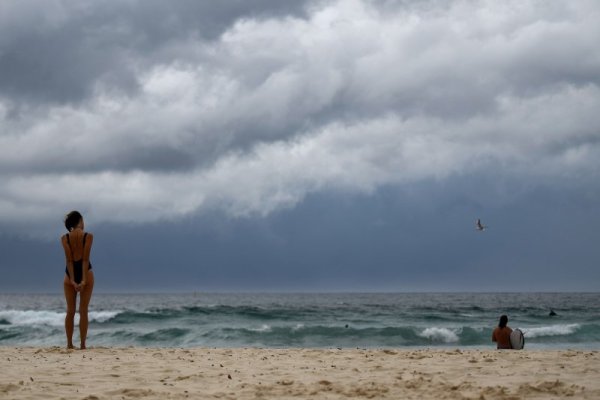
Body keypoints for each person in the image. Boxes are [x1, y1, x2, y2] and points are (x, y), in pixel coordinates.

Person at [61, 211, 95, 349]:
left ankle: (69, 344)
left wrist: (74, 281)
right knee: (83, 310)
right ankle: (82, 345)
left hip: (69, 275)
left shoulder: (65, 238)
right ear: (80, 221)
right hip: (86, 272)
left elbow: (69, 261)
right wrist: (84, 280)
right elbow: (85, 259)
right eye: (83, 220)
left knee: (70, 311)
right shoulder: (88, 236)